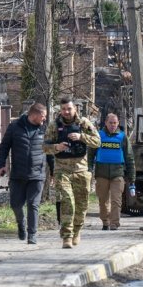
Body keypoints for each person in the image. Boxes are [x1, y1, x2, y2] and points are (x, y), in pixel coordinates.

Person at [43, 98, 101, 249]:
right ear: (60, 110)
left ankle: (77, 231)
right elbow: (44, 147)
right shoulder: (54, 125)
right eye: (63, 109)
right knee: (67, 201)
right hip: (62, 170)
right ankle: (66, 236)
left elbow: (97, 142)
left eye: (69, 109)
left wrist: (81, 137)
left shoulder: (84, 123)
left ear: (75, 108)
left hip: (81, 171)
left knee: (82, 206)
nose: (66, 112)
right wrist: (57, 147)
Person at [0, 103, 48, 245]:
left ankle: (32, 234)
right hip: (18, 174)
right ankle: (21, 223)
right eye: (43, 116)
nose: (44, 119)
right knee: (15, 205)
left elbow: (51, 151)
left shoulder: (45, 129)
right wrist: (0, 165)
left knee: (33, 204)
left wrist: (54, 172)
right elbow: (4, 146)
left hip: (37, 174)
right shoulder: (15, 127)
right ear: (35, 115)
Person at [88, 113, 135, 231]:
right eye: (111, 123)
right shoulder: (98, 136)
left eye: (115, 123)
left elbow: (129, 158)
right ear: (106, 123)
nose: (113, 125)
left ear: (118, 123)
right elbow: (90, 155)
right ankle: (105, 221)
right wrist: (89, 169)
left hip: (118, 174)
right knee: (103, 201)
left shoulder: (122, 137)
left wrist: (132, 178)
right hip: (101, 174)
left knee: (116, 200)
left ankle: (114, 223)